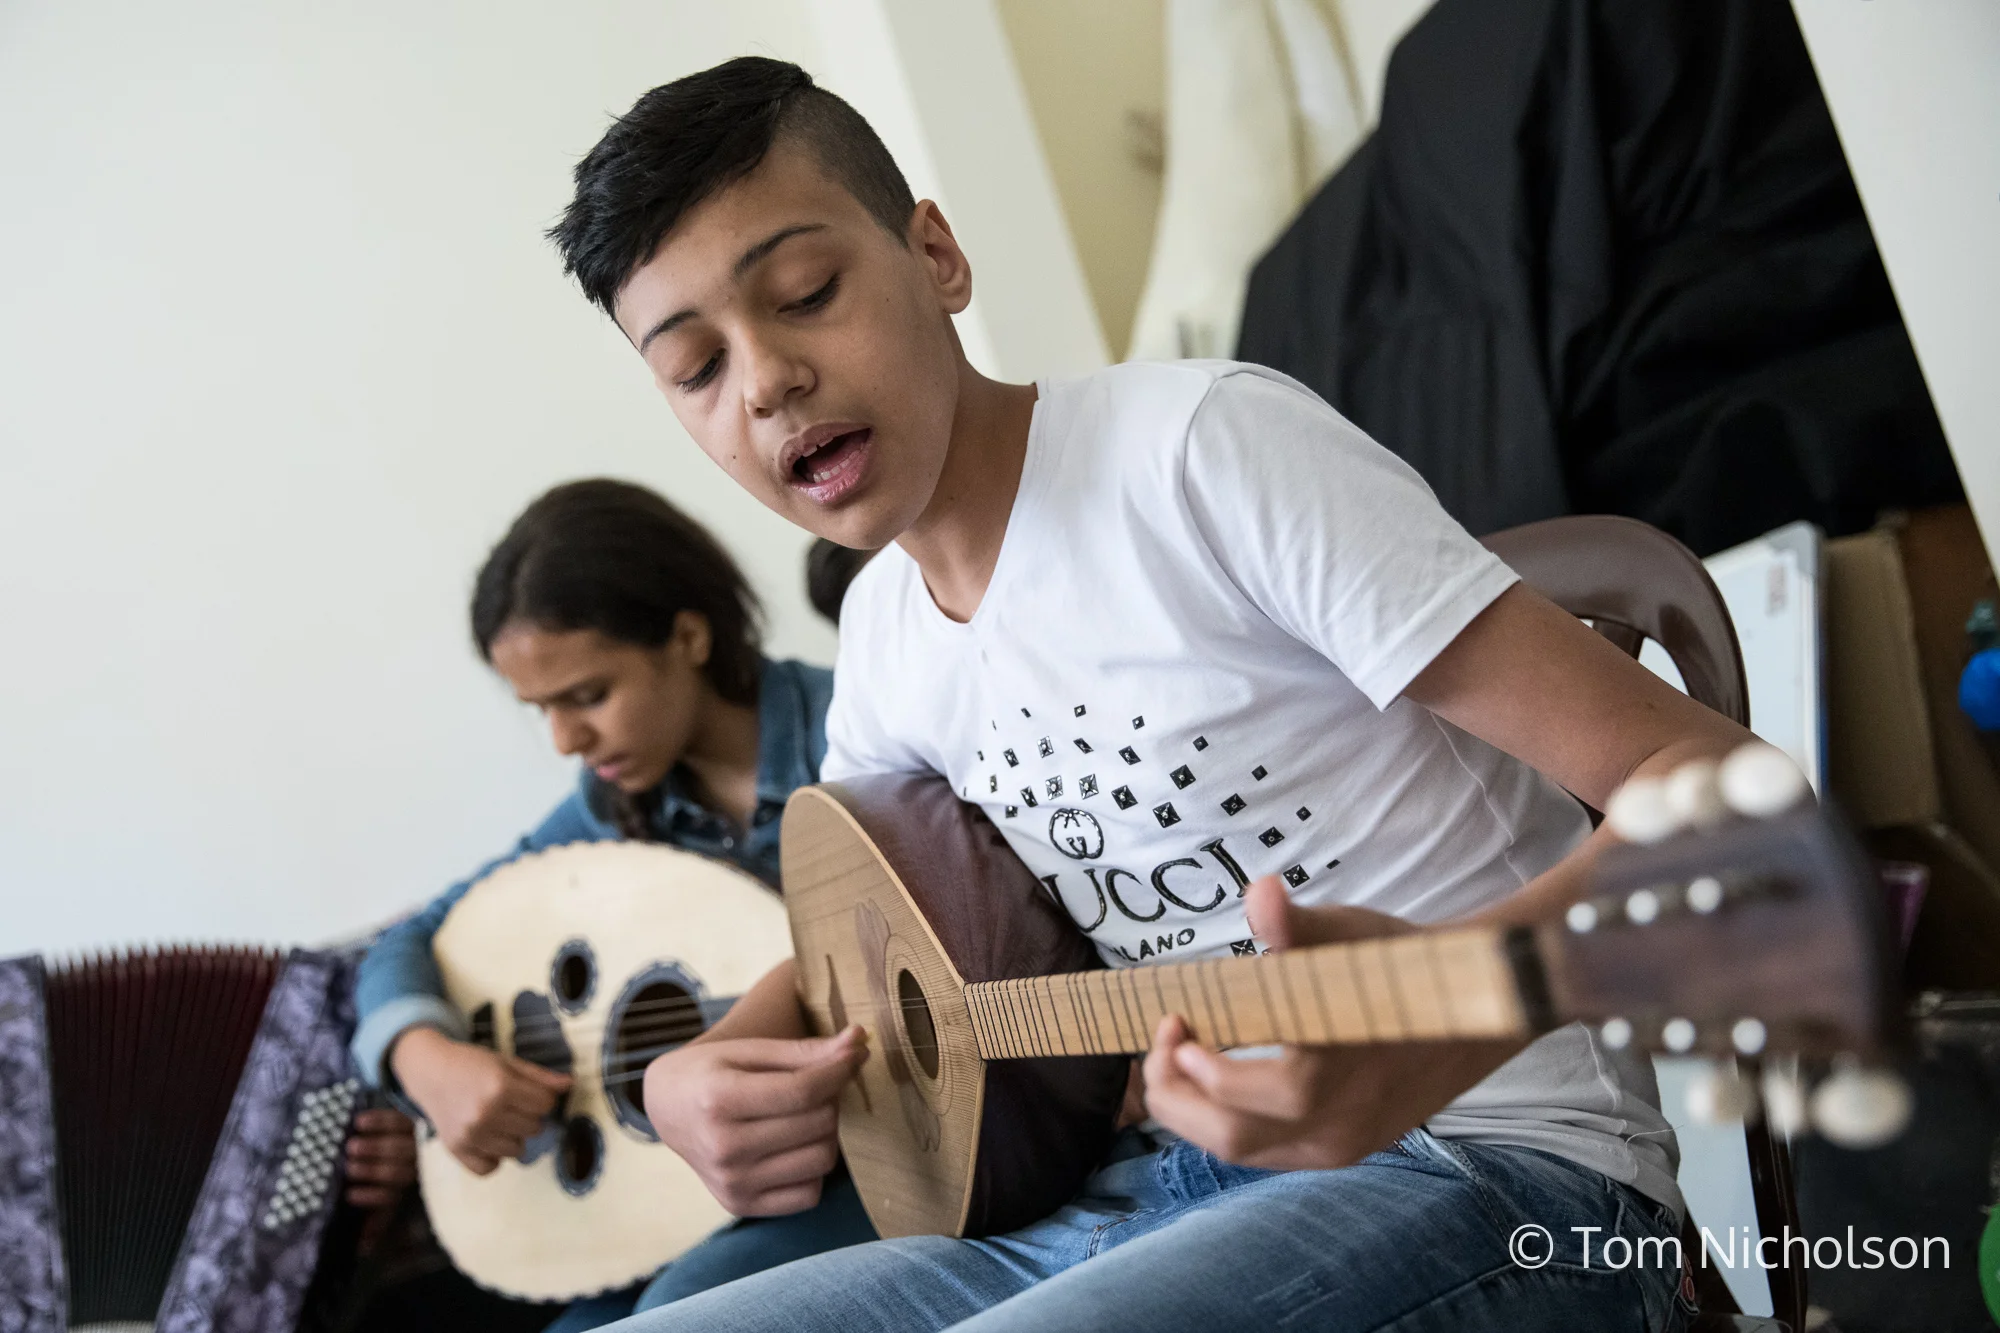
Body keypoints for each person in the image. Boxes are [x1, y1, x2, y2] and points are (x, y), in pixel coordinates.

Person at [546, 57, 1759, 1333]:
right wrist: (695, 1073)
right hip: (1138, 1199)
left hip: (1494, 1164)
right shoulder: (886, 636)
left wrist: (1457, 1013)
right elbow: (847, 952)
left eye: (805, 293)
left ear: (936, 258)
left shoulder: (1200, 454)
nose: (763, 381)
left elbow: (1731, 797)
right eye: (694, 367)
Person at [349, 478, 874, 1331]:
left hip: (865, 1161)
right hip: (683, 1204)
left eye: (588, 695)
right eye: (542, 711)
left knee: (671, 1315)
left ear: (689, 636)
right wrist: (422, 1055)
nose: (567, 740)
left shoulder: (860, 727)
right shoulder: (612, 807)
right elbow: (408, 940)